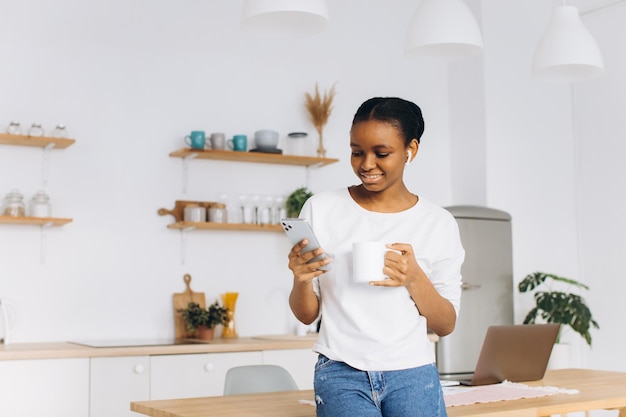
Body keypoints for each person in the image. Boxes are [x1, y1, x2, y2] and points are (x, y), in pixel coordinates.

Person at [287, 97, 465, 417]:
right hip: (340, 371)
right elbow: (306, 315)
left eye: (381, 153)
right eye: (357, 152)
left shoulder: (437, 223)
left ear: (411, 149)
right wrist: (301, 280)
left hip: (413, 373)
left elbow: (445, 324)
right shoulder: (321, 209)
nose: (366, 164)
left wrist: (413, 277)